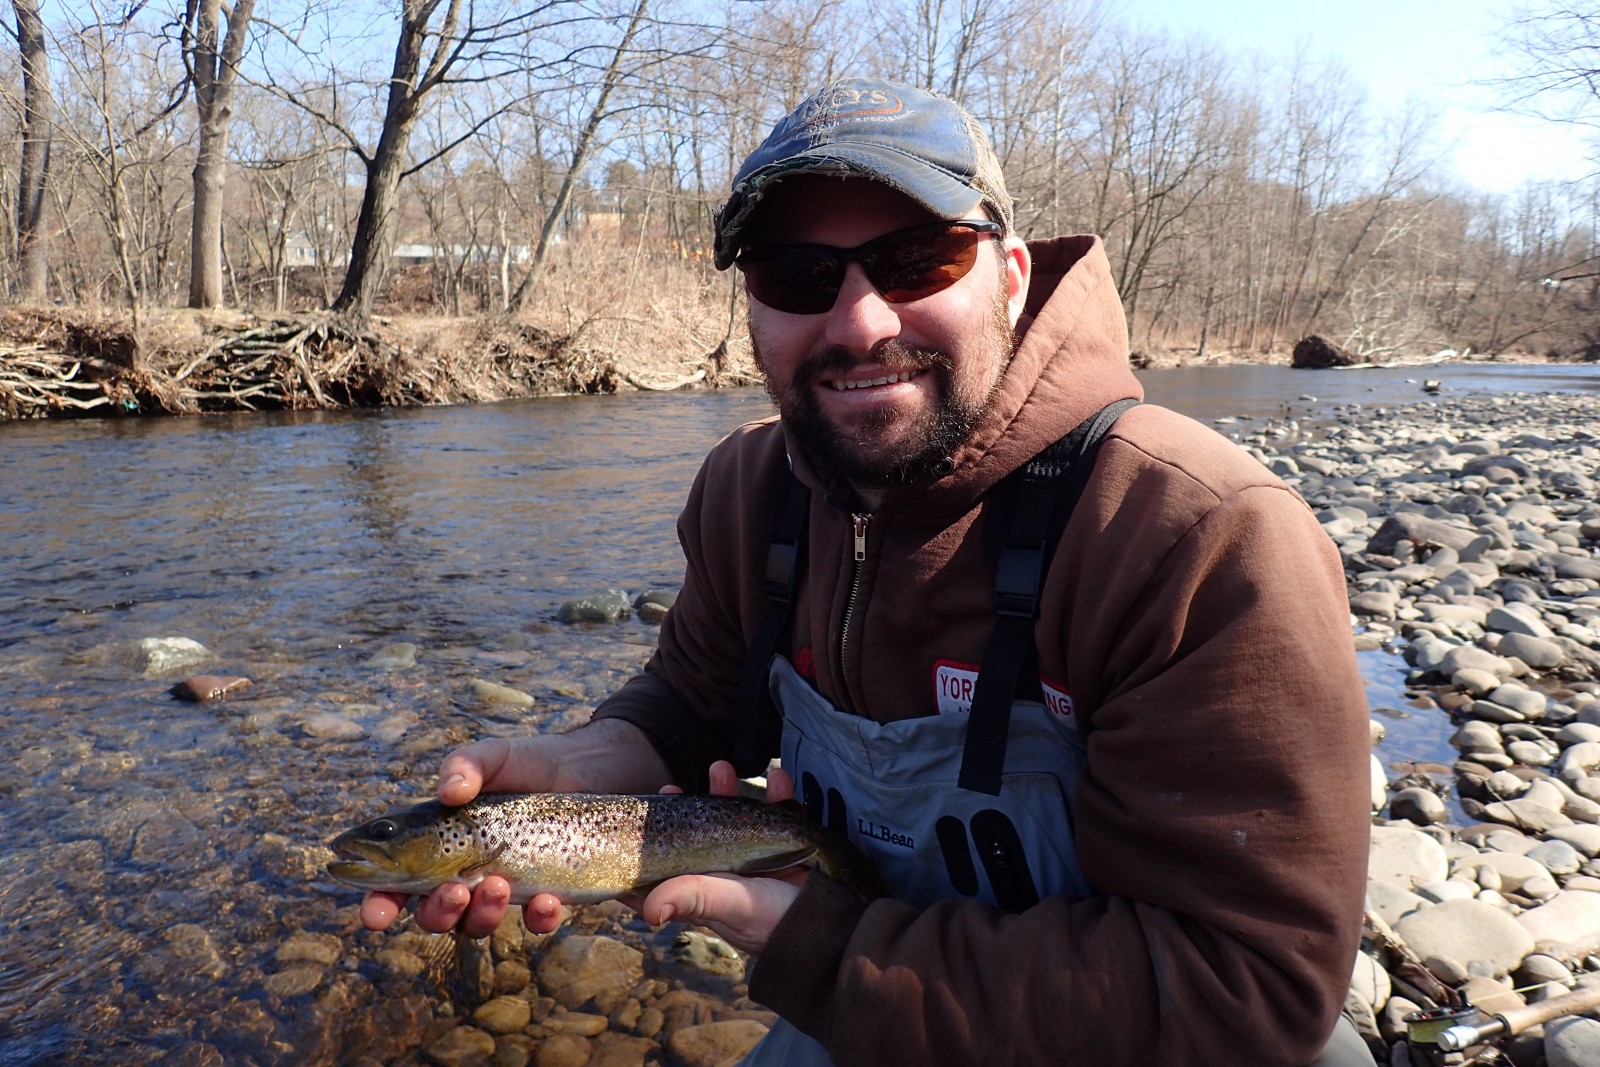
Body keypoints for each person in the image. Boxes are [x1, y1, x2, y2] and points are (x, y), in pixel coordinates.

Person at [360, 78, 1374, 1066]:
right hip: (874, 989)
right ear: (751, 307)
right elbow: (692, 699)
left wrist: (813, 940)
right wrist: (585, 766)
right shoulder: (746, 490)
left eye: (918, 258)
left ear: (1012, 275)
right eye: (798, 276)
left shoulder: (1194, 536)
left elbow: (1246, 988)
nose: (858, 322)